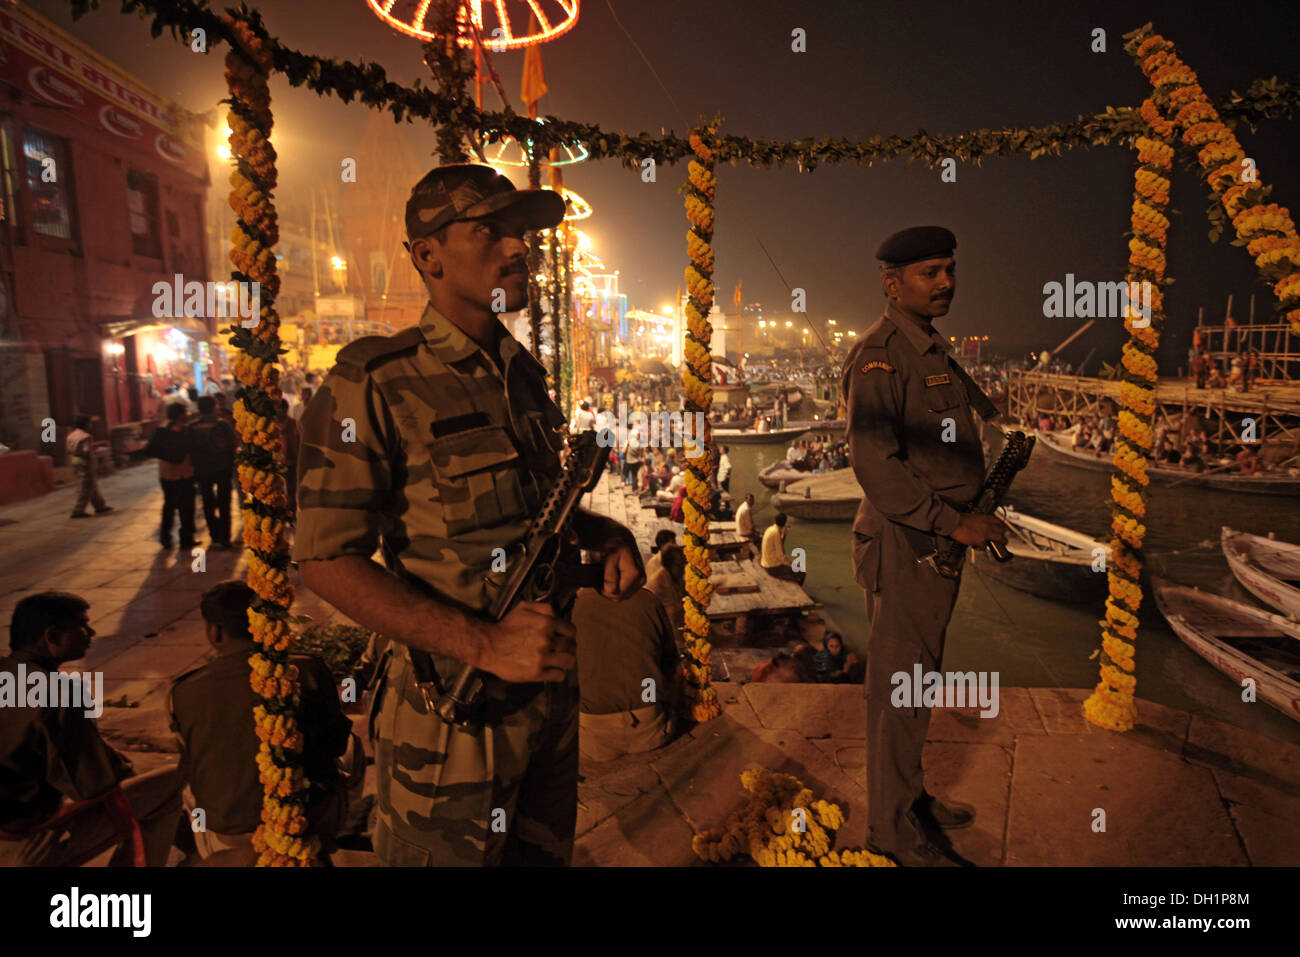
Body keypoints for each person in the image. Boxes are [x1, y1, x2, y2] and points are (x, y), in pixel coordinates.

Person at [294, 164, 643, 866]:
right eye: (490, 230)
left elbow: (535, 516)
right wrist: (483, 646)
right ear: (427, 255)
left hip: (546, 703)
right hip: (449, 724)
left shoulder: (523, 376)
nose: (519, 247)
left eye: (522, 232)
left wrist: (604, 536)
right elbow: (325, 559)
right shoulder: (375, 380)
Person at [842, 226, 1005, 867]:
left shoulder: (929, 348)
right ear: (892, 285)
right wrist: (954, 521)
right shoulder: (881, 356)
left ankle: (908, 799)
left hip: (932, 543)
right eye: (929, 272)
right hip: (908, 542)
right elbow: (875, 464)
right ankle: (890, 832)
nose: (946, 282)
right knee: (899, 689)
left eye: (950, 270)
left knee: (918, 681)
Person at [169, 581, 353, 864]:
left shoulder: (183, 692)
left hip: (225, 826)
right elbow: (336, 743)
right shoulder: (307, 671)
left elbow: (189, 765)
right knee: (354, 750)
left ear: (215, 632)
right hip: (303, 819)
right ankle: (325, 839)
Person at [0, 593, 184, 866]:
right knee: (169, 783)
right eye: (82, 626)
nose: (92, 633)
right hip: (20, 844)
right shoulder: (59, 693)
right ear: (53, 636)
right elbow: (94, 783)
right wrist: (120, 769)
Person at [570, 587, 681, 762]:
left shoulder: (574, 606)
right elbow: (670, 662)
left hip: (594, 735)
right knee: (650, 680)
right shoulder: (648, 600)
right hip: (650, 721)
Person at [188, 396, 238, 549]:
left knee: (208, 503)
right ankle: (225, 537)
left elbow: (190, 449)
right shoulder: (222, 424)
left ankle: (214, 536)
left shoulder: (193, 427)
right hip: (223, 468)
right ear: (214, 407)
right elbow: (234, 443)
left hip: (203, 470)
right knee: (224, 503)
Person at [147, 402, 197, 550]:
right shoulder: (183, 430)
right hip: (183, 473)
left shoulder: (161, 428)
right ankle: (186, 538)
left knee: (169, 506)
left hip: (165, 473)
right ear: (181, 414)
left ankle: (165, 538)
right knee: (186, 507)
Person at [67, 414, 113, 519]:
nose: (91, 425)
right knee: (87, 486)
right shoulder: (86, 436)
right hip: (85, 461)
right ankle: (78, 510)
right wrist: (94, 453)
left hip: (74, 460)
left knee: (91, 484)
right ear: (86, 424)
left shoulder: (71, 435)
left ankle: (100, 505)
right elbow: (86, 450)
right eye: (90, 423)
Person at [759, 512, 805, 585]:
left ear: (774, 520)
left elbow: (778, 547)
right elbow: (781, 556)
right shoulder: (776, 533)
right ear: (784, 523)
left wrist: (784, 535)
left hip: (765, 563)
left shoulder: (770, 529)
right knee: (802, 572)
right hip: (772, 567)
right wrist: (791, 564)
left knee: (794, 569)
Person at [734, 492, 759, 559]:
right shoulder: (747, 509)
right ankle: (753, 556)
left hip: (740, 529)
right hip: (743, 532)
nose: (752, 502)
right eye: (750, 500)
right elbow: (749, 525)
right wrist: (755, 532)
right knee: (758, 538)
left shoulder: (743, 505)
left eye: (752, 500)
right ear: (746, 500)